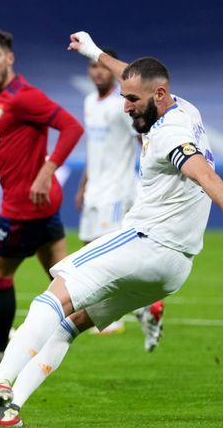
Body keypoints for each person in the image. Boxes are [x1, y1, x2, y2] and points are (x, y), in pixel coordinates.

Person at [0, 31, 223, 426]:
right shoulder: (183, 108)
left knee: (53, 294)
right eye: (124, 97)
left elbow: (203, 174)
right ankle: (7, 412)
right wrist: (94, 52)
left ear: (160, 95)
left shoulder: (171, 134)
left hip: (146, 243)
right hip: (174, 269)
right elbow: (129, 76)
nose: (126, 106)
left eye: (133, 101)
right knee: (69, 325)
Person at [0, 19, 84, 373]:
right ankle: (81, 325)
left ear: (9, 58)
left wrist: (47, 170)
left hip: (22, 208)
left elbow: (71, 127)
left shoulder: (24, 96)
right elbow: (6, 144)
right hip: (43, 204)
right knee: (62, 280)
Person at [75, 48, 164, 346]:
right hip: (94, 192)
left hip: (116, 192)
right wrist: (83, 185)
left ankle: (111, 318)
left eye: (101, 67)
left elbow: (144, 138)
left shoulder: (122, 106)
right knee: (90, 255)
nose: (97, 72)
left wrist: (149, 181)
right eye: (91, 67)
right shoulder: (90, 102)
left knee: (104, 259)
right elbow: (93, 149)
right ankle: (143, 307)